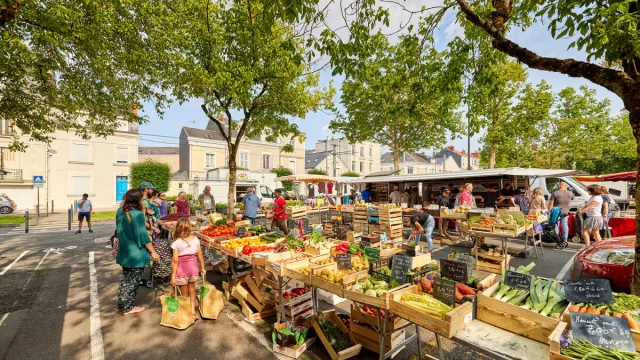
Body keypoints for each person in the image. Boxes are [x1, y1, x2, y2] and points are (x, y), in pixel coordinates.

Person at [116, 189, 160, 315]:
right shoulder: (137, 214)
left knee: (126, 279)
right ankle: (128, 307)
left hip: (124, 251)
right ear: (137, 200)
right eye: (141, 198)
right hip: (136, 253)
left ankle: (121, 304)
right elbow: (143, 236)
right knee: (133, 281)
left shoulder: (120, 211)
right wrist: (153, 252)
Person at [170, 218, 206, 320]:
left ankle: (187, 313)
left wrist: (172, 277)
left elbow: (175, 261)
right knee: (192, 291)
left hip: (182, 271)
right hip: (193, 270)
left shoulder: (177, 243)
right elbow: (200, 255)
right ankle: (193, 312)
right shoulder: (195, 239)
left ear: (178, 228)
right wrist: (202, 267)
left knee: (184, 294)